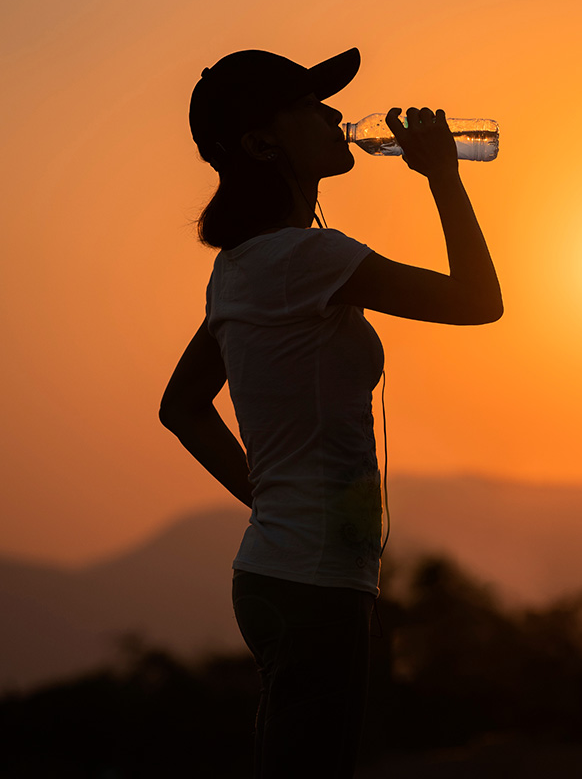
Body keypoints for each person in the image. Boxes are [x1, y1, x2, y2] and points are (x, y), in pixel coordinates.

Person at [158, 47, 502, 778]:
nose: (336, 117)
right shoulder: (303, 260)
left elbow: (182, 407)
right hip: (311, 585)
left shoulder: (245, 265)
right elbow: (479, 302)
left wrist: (269, 499)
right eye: (312, 107)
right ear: (261, 143)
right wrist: (444, 175)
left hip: (285, 571)